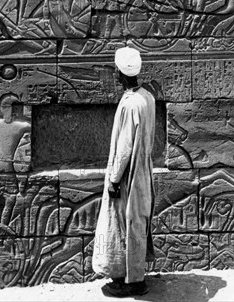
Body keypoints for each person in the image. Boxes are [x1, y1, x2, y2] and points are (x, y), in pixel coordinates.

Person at [93, 46, 156, 298]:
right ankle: (134, 277)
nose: (115, 74)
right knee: (137, 224)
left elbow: (124, 148)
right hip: (143, 170)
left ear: (121, 73)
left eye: (116, 70)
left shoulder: (131, 104)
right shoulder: (147, 97)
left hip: (129, 173)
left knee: (123, 226)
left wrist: (114, 179)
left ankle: (130, 281)